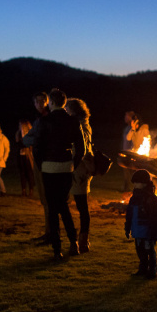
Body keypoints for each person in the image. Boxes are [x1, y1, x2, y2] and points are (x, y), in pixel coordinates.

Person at [32, 88, 85, 261]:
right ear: (64, 102)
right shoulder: (72, 121)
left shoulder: (44, 121)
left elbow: (37, 147)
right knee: (63, 205)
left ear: (51, 102)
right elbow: (81, 148)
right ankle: (73, 242)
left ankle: (57, 249)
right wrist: (73, 164)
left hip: (49, 168)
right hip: (66, 167)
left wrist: (41, 165)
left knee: (54, 209)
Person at [66, 98, 95, 253]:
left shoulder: (81, 125)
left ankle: (83, 241)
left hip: (80, 169)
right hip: (81, 169)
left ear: (73, 110)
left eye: (67, 109)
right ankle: (82, 240)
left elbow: (82, 149)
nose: (65, 112)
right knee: (81, 205)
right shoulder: (84, 123)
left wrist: (73, 165)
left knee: (82, 206)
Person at [22, 92, 51, 243]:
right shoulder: (39, 120)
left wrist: (36, 139)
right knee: (44, 200)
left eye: (42, 101)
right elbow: (26, 139)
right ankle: (49, 231)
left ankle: (51, 233)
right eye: (37, 102)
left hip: (47, 163)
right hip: (39, 162)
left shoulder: (49, 119)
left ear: (47, 102)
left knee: (49, 199)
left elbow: (33, 138)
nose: (40, 104)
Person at [124, 169, 157, 279]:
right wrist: (128, 227)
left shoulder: (152, 200)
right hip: (137, 230)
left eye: (137, 182)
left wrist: (153, 232)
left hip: (147, 230)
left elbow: (155, 218)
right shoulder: (134, 198)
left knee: (149, 250)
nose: (135, 185)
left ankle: (152, 270)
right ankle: (143, 268)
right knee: (140, 250)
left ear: (144, 183)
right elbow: (130, 213)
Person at [121, 111, 149, 191]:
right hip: (135, 153)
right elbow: (128, 138)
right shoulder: (132, 130)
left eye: (135, 122)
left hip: (142, 154)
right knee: (130, 171)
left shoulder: (144, 128)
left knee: (140, 172)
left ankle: (142, 188)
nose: (132, 123)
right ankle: (130, 188)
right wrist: (133, 128)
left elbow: (147, 139)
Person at [15, 120, 35, 196]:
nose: (19, 127)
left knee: (29, 173)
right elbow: (18, 144)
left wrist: (24, 143)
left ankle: (31, 190)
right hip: (21, 155)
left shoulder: (30, 133)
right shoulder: (18, 133)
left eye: (21, 125)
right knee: (22, 173)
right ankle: (23, 190)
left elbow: (28, 144)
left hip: (29, 155)